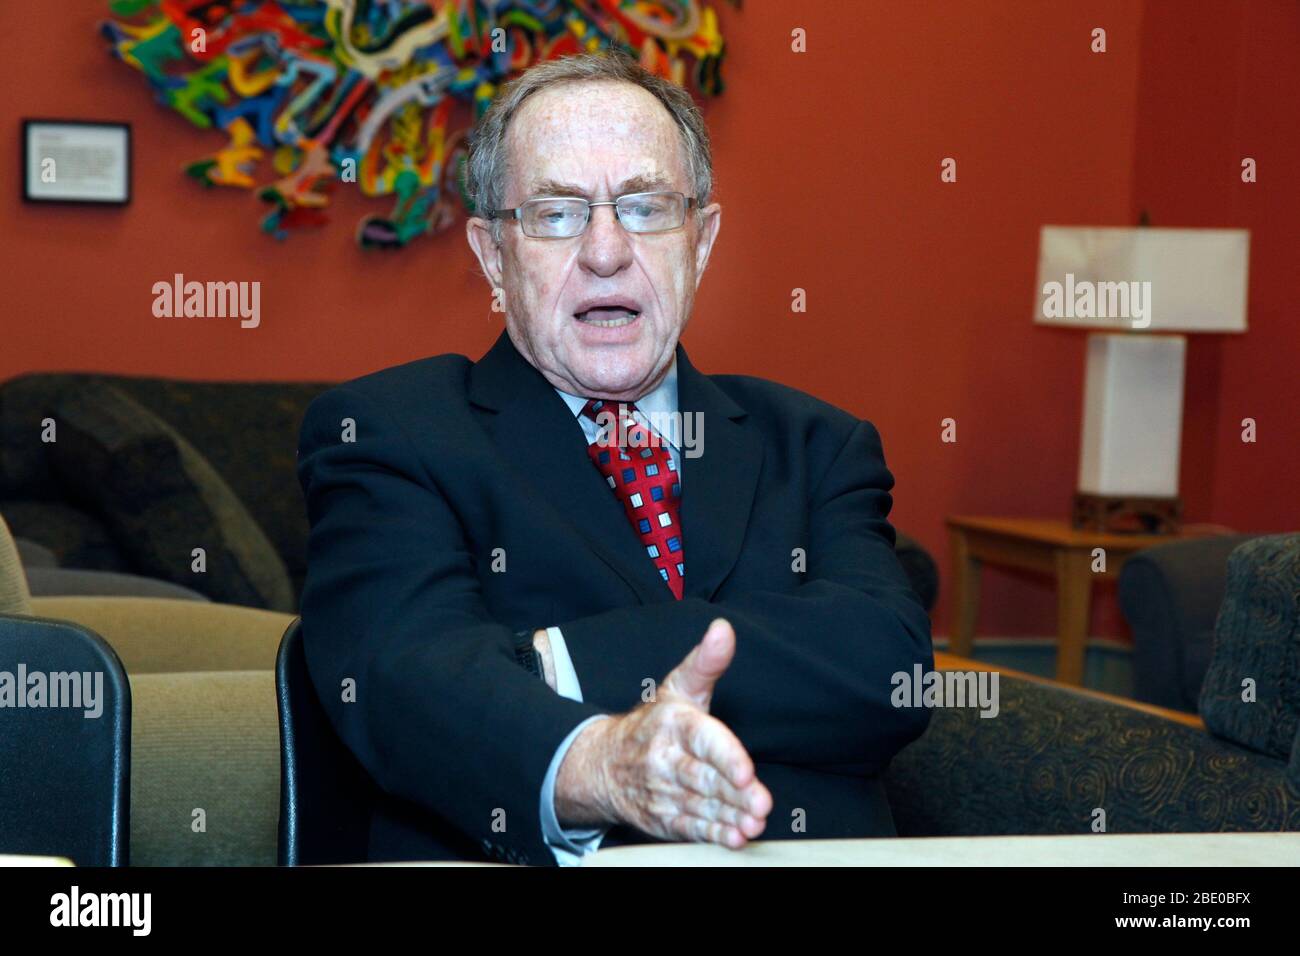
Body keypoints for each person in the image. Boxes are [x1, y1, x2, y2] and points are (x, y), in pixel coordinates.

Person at [297, 51, 933, 866]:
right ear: (494, 255)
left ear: (699, 241)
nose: (605, 251)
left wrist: (552, 661)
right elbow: (408, 681)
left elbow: (886, 667)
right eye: (557, 213)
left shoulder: (816, 443)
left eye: (644, 207)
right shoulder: (389, 434)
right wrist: (607, 764)